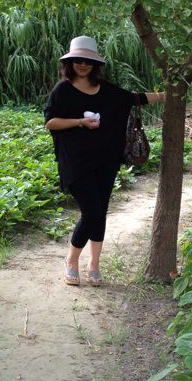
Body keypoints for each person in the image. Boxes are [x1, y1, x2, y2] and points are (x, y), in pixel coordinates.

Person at [44, 36, 165, 286]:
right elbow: (51, 122)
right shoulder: (62, 90)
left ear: (95, 64)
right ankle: (71, 261)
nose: (82, 65)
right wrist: (80, 122)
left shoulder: (108, 90)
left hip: (106, 161)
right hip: (76, 162)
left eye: (87, 61)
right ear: (70, 63)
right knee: (91, 212)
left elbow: (135, 98)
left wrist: (166, 95)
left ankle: (95, 265)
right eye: (78, 60)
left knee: (100, 213)